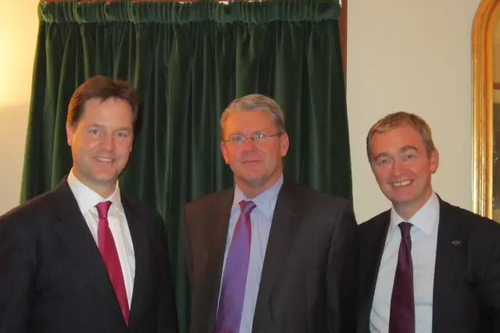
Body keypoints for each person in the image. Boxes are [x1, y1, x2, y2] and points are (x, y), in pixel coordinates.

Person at [0, 76, 178, 333]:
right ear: (70, 132)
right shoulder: (20, 229)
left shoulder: (150, 225)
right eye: (95, 131)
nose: (108, 145)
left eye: (120, 133)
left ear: (131, 142)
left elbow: (164, 323)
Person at [183, 94, 357, 333]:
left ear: (284, 144)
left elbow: (342, 319)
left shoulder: (328, 219)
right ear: (225, 151)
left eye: (261, 136)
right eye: (237, 138)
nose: (249, 147)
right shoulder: (198, 216)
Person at [358, 111, 500, 333]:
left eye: (408, 156)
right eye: (384, 160)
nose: (397, 171)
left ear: (432, 160)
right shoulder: (359, 241)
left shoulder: (484, 238)